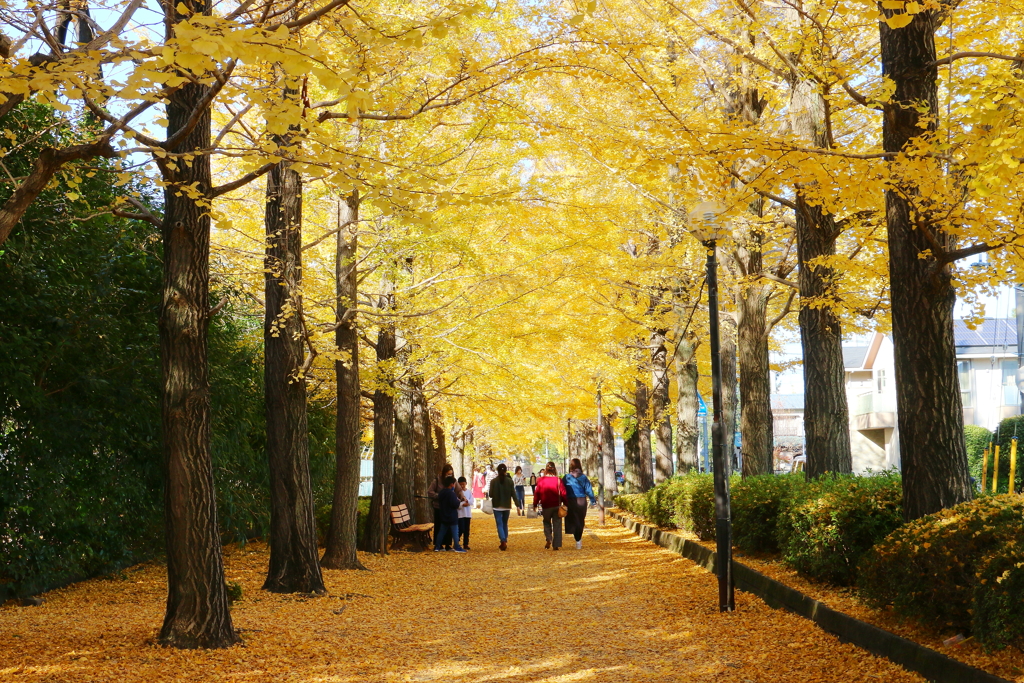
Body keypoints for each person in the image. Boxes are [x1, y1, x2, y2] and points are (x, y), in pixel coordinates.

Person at [427, 463, 464, 550]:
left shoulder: (453, 481)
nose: (449, 475)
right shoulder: (437, 480)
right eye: (447, 474)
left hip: (450, 507)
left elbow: (459, 491)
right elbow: (430, 491)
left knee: (448, 528)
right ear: (444, 473)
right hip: (439, 507)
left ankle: (448, 544)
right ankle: (439, 545)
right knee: (440, 526)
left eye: (450, 474)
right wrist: (439, 496)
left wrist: (462, 497)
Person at [563, 458, 597, 550]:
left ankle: (577, 538)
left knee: (573, 519)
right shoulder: (583, 477)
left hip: (570, 500)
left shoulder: (566, 477)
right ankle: (578, 540)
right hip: (581, 500)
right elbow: (588, 489)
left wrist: (561, 500)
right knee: (580, 520)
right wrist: (592, 500)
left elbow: (562, 490)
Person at [488, 463, 522, 550]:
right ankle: (505, 540)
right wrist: (517, 505)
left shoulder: (493, 481)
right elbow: (513, 494)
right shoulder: (510, 481)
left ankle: (503, 540)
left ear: (498, 471)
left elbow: (490, 494)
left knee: (499, 524)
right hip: (507, 505)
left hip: (497, 505)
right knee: (505, 523)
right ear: (506, 471)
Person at [534, 461, 567, 550]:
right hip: (557, 505)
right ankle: (556, 544)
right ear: (554, 469)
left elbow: (537, 493)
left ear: (546, 469)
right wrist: (566, 504)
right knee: (557, 524)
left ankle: (549, 538)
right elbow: (563, 493)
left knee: (546, 522)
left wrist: (535, 504)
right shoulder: (558, 480)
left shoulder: (541, 480)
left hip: (546, 506)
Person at [434, 476, 467, 553]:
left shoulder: (441, 493)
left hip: (443, 515)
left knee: (441, 532)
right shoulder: (451, 494)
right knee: (455, 532)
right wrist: (460, 502)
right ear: (451, 484)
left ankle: (437, 546)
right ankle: (457, 546)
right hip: (452, 516)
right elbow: (455, 504)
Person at [457, 476, 474, 550]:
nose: (462, 486)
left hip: (467, 513)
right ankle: (457, 541)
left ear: (466, 484)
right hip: (460, 513)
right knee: (461, 528)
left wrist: (468, 502)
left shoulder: (468, 491)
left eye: (463, 484)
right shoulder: (457, 492)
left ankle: (466, 543)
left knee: (467, 529)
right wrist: (462, 504)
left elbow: (472, 500)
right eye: (460, 484)